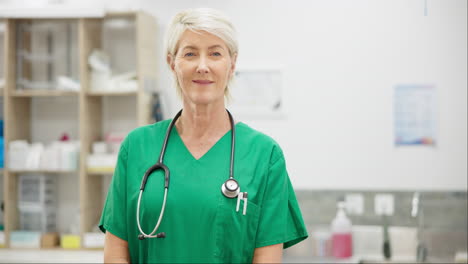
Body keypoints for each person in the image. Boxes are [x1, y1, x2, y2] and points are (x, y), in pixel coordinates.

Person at [100, 8, 308, 263]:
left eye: (215, 53)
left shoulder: (264, 155)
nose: (202, 66)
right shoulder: (136, 147)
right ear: (171, 62)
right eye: (190, 54)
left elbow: (267, 257)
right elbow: (115, 255)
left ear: (232, 63)